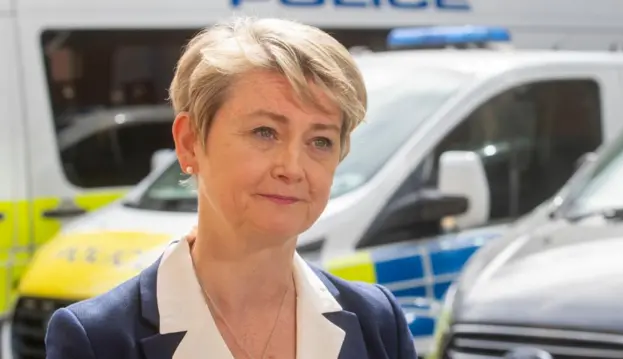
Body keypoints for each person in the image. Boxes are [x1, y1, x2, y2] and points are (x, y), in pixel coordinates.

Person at [44, 17, 417, 359]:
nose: (292, 168)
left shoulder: (378, 323)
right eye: (264, 132)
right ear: (190, 142)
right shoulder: (98, 340)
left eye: (320, 141)